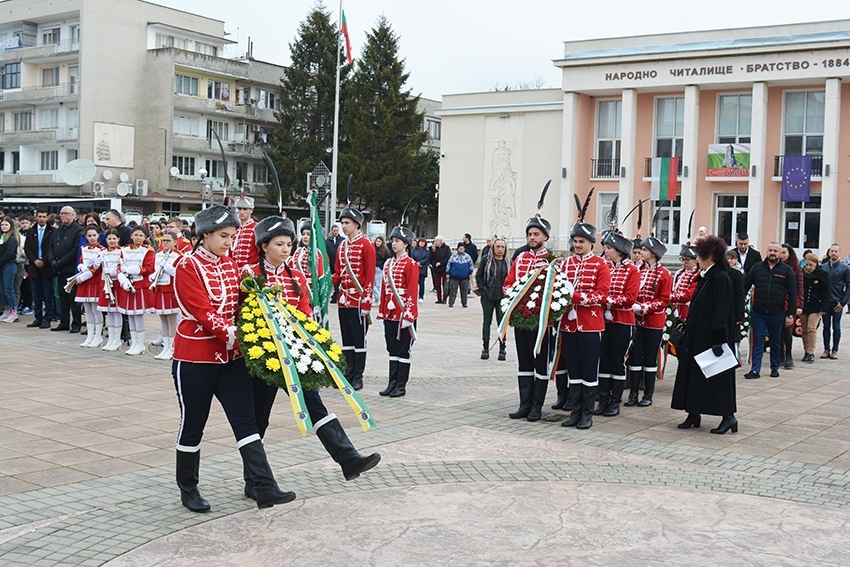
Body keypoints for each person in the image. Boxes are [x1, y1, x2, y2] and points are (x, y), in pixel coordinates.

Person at [171, 204, 296, 513]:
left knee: (247, 421)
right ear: (205, 235)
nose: (229, 242)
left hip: (231, 360)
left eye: (232, 236)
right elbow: (202, 311)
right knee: (193, 424)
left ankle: (263, 486)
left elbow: (242, 305)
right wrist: (237, 334)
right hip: (195, 359)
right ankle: (188, 488)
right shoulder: (187, 266)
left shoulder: (229, 266)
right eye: (224, 236)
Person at [246, 215, 381, 490]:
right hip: (264, 358)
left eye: (289, 244)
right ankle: (254, 480)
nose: (286, 250)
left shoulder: (295, 276)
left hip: (294, 355)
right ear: (263, 246)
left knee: (315, 404)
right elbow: (245, 317)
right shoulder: (250, 276)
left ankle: (349, 458)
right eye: (279, 244)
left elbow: (305, 313)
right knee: (259, 418)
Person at [671, 235, 739, 435]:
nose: (697, 258)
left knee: (718, 378)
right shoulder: (707, 275)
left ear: (709, 256)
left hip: (710, 337)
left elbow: (722, 311)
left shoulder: (721, 277)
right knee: (693, 375)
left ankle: (728, 417)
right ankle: (694, 412)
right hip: (697, 334)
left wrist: (718, 339)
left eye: (700, 255)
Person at [558, 221, 610, 430]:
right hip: (568, 325)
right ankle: (575, 411)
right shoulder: (566, 264)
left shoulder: (600, 264)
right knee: (574, 370)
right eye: (575, 241)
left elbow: (602, 294)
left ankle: (587, 414)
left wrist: (576, 297)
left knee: (589, 370)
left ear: (591, 243)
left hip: (590, 325)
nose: (577, 245)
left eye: (582, 241)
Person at [503, 215, 553, 421]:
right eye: (529, 234)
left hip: (540, 322)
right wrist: (512, 298)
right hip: (521, 319)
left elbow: (553, 291)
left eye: (536, 234)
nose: (531, 238)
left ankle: (536, 407)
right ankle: (524, 404)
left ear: (545, 237)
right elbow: (508, 283)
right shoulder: (520, 258)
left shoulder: (551, 261)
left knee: (539, 363)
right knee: (524, 362)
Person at [332, 203, 376, 391]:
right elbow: (337, 273)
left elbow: (370, 274)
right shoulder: (342, 246)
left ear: (356, 224)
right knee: (347, 339)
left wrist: (367, 300)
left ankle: (358, 376)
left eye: (347, 222)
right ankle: (348, 372)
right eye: (342, 222)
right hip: (344, 299)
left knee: (359, 339)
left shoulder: (366, 245)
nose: (343, 226)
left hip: (358, 300)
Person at [595, 231, 639, 418]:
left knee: (617, 362)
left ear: (619, 250)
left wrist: (607, 302)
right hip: (604, 322)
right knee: (603, 362)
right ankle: (603, 400)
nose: (606, 251)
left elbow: (630, 299)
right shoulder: (605, 267)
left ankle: (615, 402)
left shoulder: (632, 270)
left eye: (609, 248)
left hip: (622, 321)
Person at [625, 236, 672, 408]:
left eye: (644, 250)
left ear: (653, 253)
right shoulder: (637, 270)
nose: (640, 253)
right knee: (635, 357)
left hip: (653, 321)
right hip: (636, 321)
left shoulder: (664, 274)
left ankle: (648, 394)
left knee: (650, 358)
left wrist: (644, 307)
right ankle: (633, 393)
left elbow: (664, 300)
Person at [743, 242, 797, 379]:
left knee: (775, 341)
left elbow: (793, 293)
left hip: (777, 313)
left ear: (780, 253)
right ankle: (755, 370)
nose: (772, 253)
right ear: (766, 252)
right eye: (770, 250)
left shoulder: (786, 270)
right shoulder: (757, 268)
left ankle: (775, 367)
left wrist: (790, 314)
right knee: (758, 340)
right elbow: (745, 286)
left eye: (775, 251)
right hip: (759, 312)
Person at [377, 225, 420, 397]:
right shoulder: (388, 263)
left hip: (403, 313)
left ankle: (401, 386)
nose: (394, 244)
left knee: (403, 349)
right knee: (392, 348)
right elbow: (383, 290)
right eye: (393, 241)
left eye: (398, 241)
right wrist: (381, 311)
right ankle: (392, 383)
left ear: (406, 244)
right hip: (390, 313)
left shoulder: (411, 264)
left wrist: (409, 314)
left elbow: (412, 291)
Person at [116, 226, 155, 355]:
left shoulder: (148, 251)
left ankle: (140, 344)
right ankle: (134, 342)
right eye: (136, 235)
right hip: (127, 285)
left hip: (140, 286)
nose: (138, 238)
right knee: (130, 316)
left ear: (145, 237)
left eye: (141, 235)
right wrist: (123, 276)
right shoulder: (124, 249)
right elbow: (119, 265)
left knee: (138, 316)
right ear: (131, 235)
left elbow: (148, 268)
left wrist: (131, 269)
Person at [48, 206, 84, 333]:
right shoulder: (58, 230)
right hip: (58, 269)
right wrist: (53, 261)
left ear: (73, 215)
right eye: (62, 214)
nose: (64, 216)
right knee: (62, 297)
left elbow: (75, 250)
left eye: (66, 214)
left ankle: (76, 323)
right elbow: (51, 246)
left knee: (73, 298)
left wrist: (61, 262)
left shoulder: (78, 230)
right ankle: (64, 322)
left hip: (70, 269)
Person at [150, 231, 183, 360]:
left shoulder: (178, 256)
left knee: (171, 319)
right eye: (163, 240)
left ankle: (173, 348)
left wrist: (167, 266)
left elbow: (178, 273)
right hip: (159, 288)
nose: (165, 243)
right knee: (163, 319)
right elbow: (153, 270)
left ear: (175, 242)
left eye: (168, 241)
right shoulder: (158, 255)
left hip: (170, 290)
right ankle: (166, 346)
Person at [476, 237, 508, 361]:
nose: (500, 249)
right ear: (493, 248)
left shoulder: (508, 261)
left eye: (502, 247)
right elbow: (479, 275)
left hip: (502, 296)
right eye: (497, 246)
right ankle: (485, 348)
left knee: (502, 323)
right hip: (488, 295)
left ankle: (502, 348)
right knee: (487, 322)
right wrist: (484, 289)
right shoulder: (486, 260)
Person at [73, 225, 105, 346]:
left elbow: (99, 267)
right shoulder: (83, 248)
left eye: (94, 235)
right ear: (86, 236)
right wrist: (81, 267)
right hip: (85, 282)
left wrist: (88, 272)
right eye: (89, 236)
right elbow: (81, 261)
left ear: (98, 235)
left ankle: (98, 336)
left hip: (95, 281)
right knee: (87, 310)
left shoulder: (102, 250)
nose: (92, 238)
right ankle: (90, 335)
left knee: (96, 310)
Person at [820, 243, 850, 359]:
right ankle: (826, 349)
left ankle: (835, 350)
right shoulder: (823, 267)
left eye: (836, 251)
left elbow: (848, 286)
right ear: (828, 252)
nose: (833, 253)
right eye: (831, 251)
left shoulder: (845, 268)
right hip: (825, 302)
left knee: (836, 326)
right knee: (825, 326)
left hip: (837, 302)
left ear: (840, 253)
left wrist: (843, 302)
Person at [97, 230, 126, 351]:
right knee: (109, 312)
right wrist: (96, 263)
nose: (112, 241)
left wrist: (113, 271)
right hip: (106, 283)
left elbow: (123, 266)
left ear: (118, 239)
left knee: (116, 311)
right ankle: (111, 339)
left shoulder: (122, 252)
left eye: (114, 238)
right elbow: (96, 268)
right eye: (109, 239)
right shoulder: (102, 252)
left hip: (117, 284)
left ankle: (117, 339)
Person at [800, 253, 830, 363]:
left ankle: (811, 351)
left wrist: (823, 307)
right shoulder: (802, 273)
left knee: (811, 328)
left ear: (816, 264)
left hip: (816, 305)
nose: (808, 267)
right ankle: (806, 351)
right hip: (804, 305)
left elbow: (826, 291)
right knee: (803, 329)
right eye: (806, 265)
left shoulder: (822, 274)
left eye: (810, 265)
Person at [779, 243, 804, 368]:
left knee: (787, 330)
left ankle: (788, 355)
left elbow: (800, 288)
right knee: (777, 331)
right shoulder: (775, 266)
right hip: (776, 303)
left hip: (790, 303)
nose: (782, 255)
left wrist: (799, 305)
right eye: (780, 252)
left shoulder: (796, 268)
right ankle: (780, 355)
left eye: (784, 253)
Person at [291, 221, 325, 295]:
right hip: (298, 289)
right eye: (303, 234)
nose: (305, 237)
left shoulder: (318, 253)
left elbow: (321, 276)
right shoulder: (298, 251)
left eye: (309, 234)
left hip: (312, 291)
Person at [230, 196, 258, 274]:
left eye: (245, 209)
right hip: (234, 271)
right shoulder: (233, 228)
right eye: (239, 209)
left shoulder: (257, 228)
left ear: (251, 210)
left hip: (251, 271)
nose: (241, 212)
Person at [671, 245, 699, 322]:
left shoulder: (697, 274)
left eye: (687, 260)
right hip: (675, 309)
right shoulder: (679, 273)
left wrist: (670, 297)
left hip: (687, 310)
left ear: (695, 260)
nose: (684, 262)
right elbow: (673, 289)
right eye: (682, 259)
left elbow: (688, 295)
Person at [0, 218, 20, 322]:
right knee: (2, 290)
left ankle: (14, 312)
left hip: (9, 265)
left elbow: (9, 254)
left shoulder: (12, 239)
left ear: (10, 226)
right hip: (2, 266)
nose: (4, 227)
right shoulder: (2, 237)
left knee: (9, 289)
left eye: (6, 225)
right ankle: (6, 310)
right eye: (2, 225)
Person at [446, 242, 474, 308]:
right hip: (454, 276)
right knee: (453, 290)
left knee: (464, 291)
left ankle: (464, 303)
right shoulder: (453, 256)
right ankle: (451, 303)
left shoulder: (467, 256)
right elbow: (449, 264)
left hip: (465, 277)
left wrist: (470, 273)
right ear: (457, 248)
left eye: (462, 248)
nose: (461, 249)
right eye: (460, 248)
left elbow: (471, 265)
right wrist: (448, 272)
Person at [325, 223, 343, 303]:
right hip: (330, 264)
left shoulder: (342, 240)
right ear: (331, 231)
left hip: (339, 263)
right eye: (334, 230)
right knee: (331, 280)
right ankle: (331, 296)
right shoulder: (327, 241)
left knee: (338, 281)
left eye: (336, 230)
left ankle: (336, 296)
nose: (335, 232)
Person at [429, 236, 450, 304]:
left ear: (441, 242)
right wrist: (433, 250)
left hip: (444, 268)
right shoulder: (434, 248)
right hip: (436, 269)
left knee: (444, 284)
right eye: (435, 241)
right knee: (437, 284)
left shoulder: (446, 248)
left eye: (437, 241)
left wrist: (441, 263)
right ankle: (439, 298)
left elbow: (448, 257)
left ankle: (444, 298)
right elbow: (431, 258)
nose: (435, 243)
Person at [410, 237, 430, 302]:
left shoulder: (427, 251)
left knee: (421, 283)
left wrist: (420, 263)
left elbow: (427, 259)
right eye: (421, 242)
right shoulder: (414, 250)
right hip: (415, 267)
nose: (422, 243)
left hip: (423, 268)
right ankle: (413, 296)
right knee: (414, 283)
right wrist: (416, 263)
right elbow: (412, 257)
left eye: (423, 242)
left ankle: (421, 296)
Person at [373, 235, 390, 304]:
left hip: (379, 269)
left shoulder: (385, 250)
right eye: (377, 241)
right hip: (373, 268)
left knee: (378, 285)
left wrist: (382, 266)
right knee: (372, 285)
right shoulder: (373, 248)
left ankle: (377, 300)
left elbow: (388, 259)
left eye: (379, 241)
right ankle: (378, 297)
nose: (378, 243)